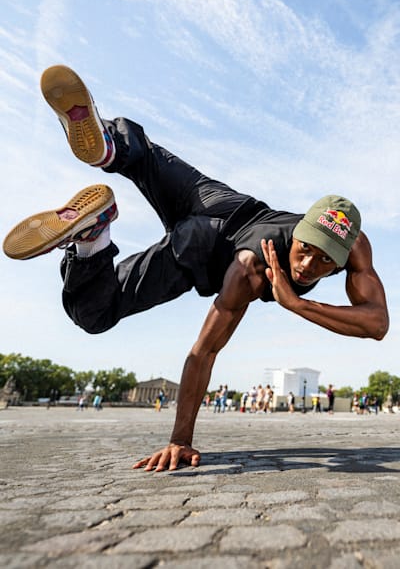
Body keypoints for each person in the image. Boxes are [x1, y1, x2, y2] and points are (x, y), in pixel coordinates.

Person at [3, 65, 389, 472]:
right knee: (94, 314)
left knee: (145, 156)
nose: (310, 264)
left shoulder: (356, 243)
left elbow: (377, 323)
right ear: (300, 229)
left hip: (218, 199)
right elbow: (203, 351)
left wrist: (299, 305)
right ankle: (97, 194)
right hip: (201, 246)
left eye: (326, 258)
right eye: (305, 249)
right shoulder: (252, 269)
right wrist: (179, 440)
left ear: (346, 251)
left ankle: (102, 184)